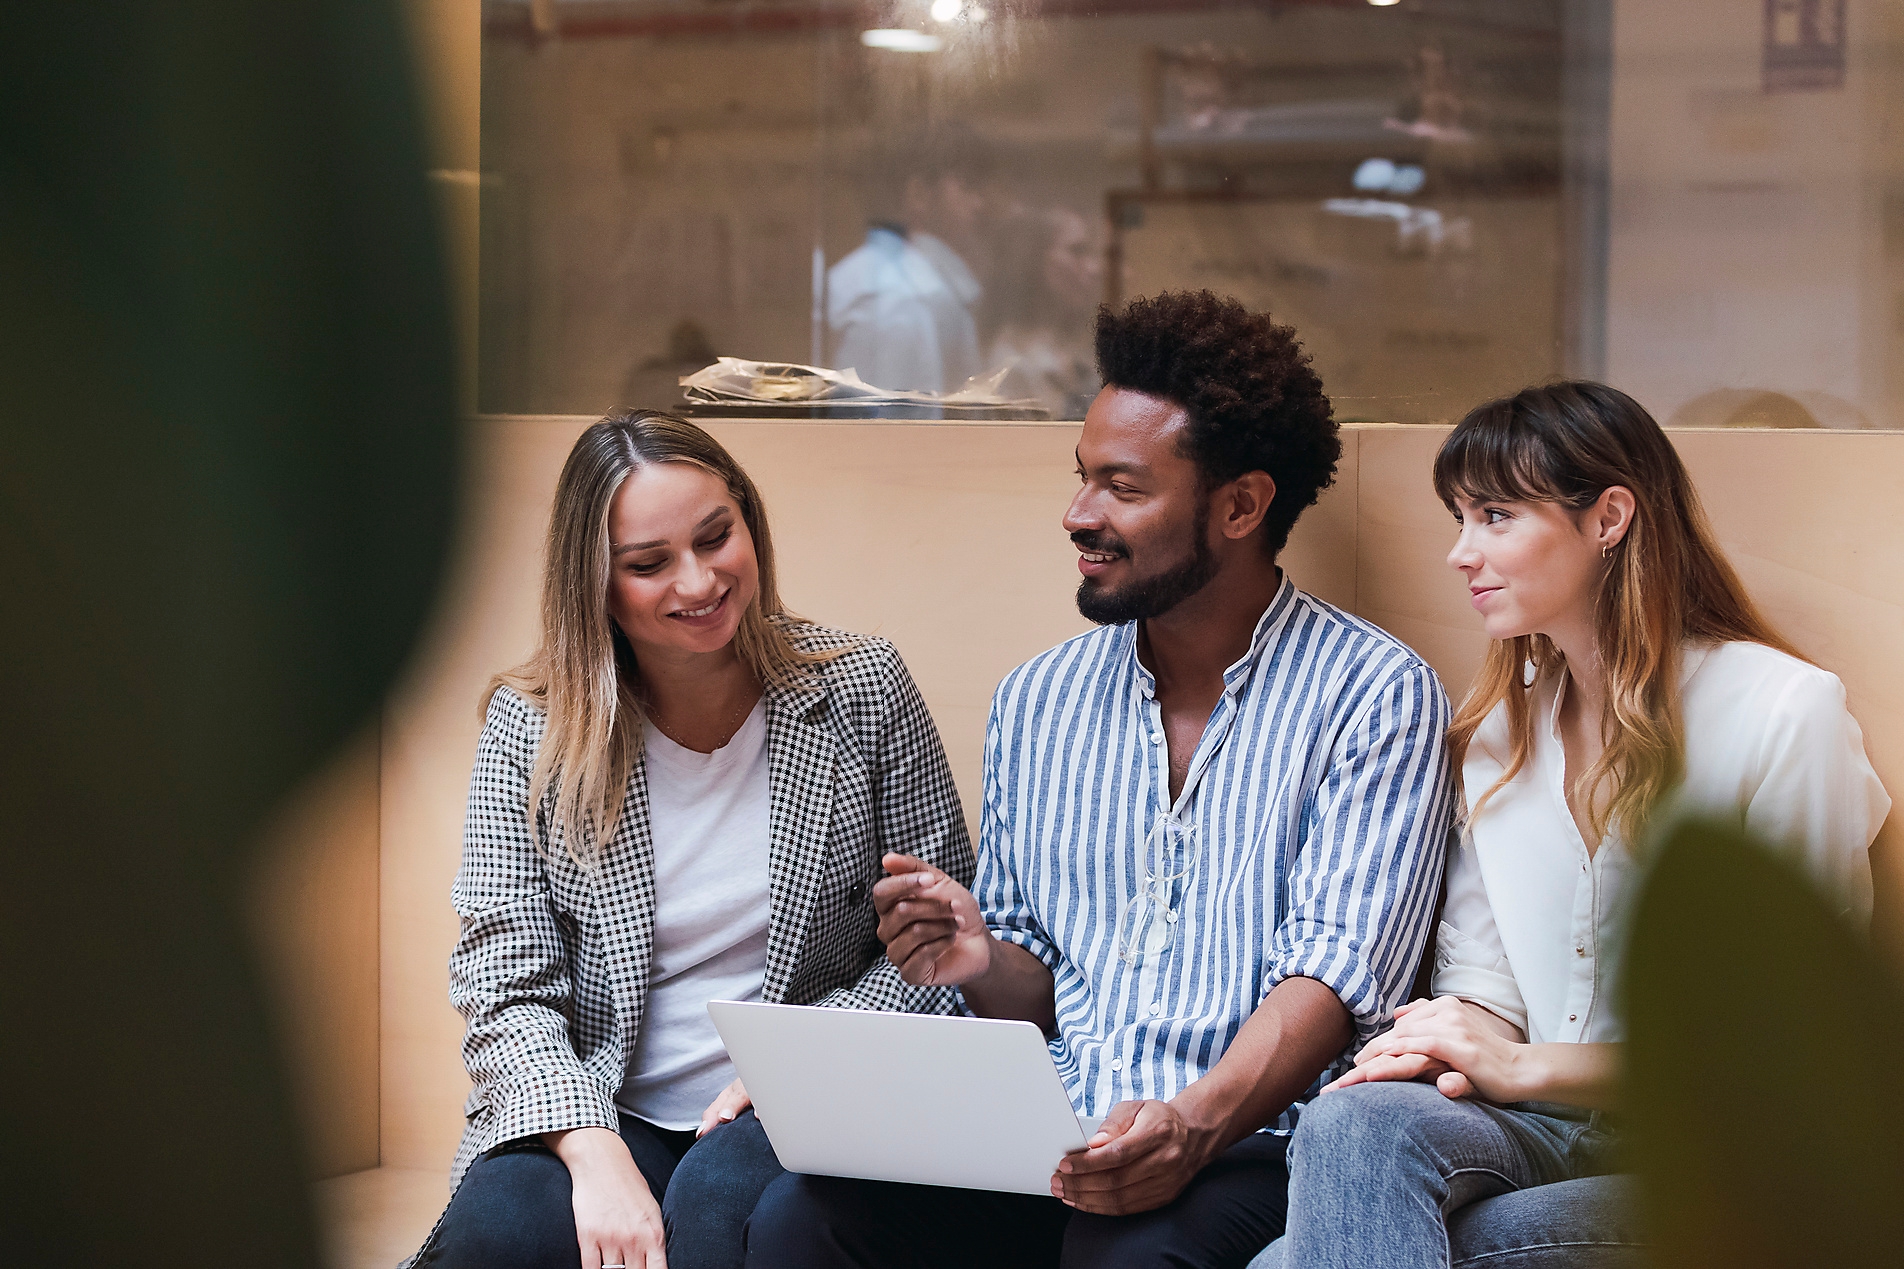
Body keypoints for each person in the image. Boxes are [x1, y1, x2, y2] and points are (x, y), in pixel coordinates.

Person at [746, 290, 1458, 1269]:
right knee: (802, 1219)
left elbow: (1333, 978)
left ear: (1241, 505)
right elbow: (1041, 986)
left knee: (1123, 1255)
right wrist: (977, 959)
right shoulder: (1036, 699)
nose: (1078, 515)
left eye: (1122, 487)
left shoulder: (1374, 693)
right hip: (1056, 1129)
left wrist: (1189, 1127)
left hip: (1252, 1141)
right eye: (1082, 478)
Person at [1254, 381, 1892, 1269]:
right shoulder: (1499, 737)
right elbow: (1487, 990)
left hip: (1717, 1161)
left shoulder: (1784, 711)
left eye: (1495, 515)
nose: (1461, 553)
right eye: (1459, 518)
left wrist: (1524, 1067)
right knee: (1353, 1121)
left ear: (1609, 518)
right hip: (1541, 1131)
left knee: (1281, 1264)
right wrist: (1438, 1037)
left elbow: (1782, 1051)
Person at [409, 410, 973, 1269]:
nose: (700, 580)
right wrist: (590, 1145)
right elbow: (504, 986)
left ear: (749, 520)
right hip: (599, 1097)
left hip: (799, 1097)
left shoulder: (864, 687)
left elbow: (938, 949)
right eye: (649, 563)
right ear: (595, 583)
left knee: (717, 1214)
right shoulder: (531, 729)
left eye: (716, 537)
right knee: (499, 1234)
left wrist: (800, 1066)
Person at [827, 135, 988, 394]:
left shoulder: (925, 285)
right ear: (918, 194)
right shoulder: (901, 296)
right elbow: (889, 415)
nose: (979, 204)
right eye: (966, 187)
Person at [982, 206, 1103, 419]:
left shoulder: (1079, 345)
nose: (1093, 268)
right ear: (1034, 259)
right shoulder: (1012, 362)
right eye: (1076, 251)